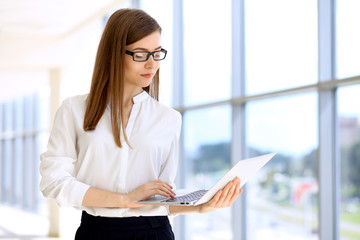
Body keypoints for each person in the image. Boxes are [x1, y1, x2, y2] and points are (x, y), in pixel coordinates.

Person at [39, 8, 242, 240]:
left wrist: (199, 207)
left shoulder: (169, 118)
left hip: (154, 232)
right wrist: (125, 199)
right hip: (96, 231)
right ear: (113, 54)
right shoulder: (74, 110)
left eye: (156, 54)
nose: (151, 65)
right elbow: (54, 182)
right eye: (140, 54)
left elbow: (161, 200)